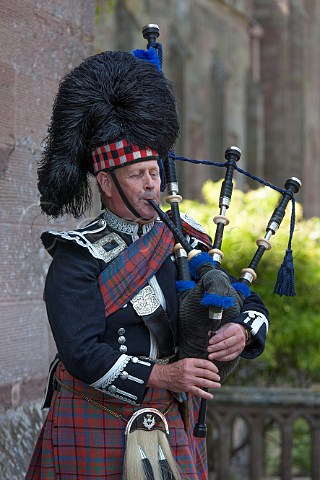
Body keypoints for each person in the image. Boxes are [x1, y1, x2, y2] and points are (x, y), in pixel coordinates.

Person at [25, 49, 269, 480]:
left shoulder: (186, 240)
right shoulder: (76, 256)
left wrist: (243, 330)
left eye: (154, 171)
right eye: (138, 174)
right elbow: (80, 353)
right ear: (106, 181)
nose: (152, 183)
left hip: (170, 420)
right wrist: (165, 374)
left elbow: (247, 300)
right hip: (94, 417)